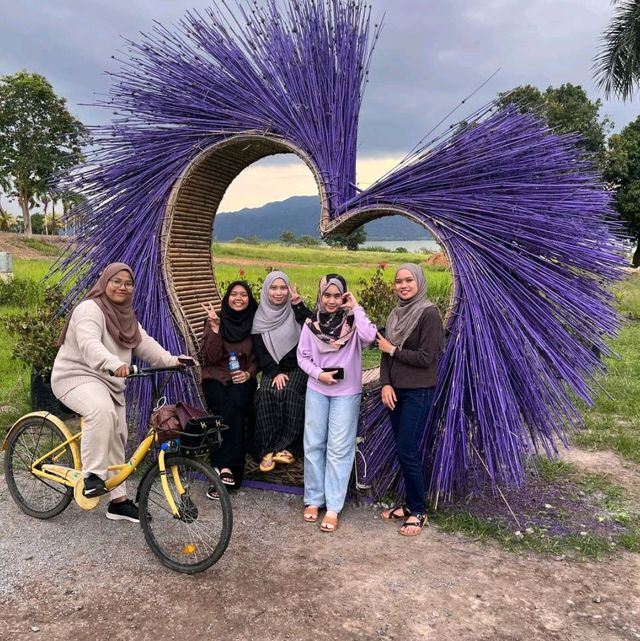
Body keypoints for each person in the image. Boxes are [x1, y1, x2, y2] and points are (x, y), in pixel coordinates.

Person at [51, 262, 189, 523]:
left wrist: (173, 361)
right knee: (101, 411)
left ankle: (119, 502)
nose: (122, 287)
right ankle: (92, 477)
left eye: (128, 283)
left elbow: (144, 344)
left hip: (109, 383)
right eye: (116, 281)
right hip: (75, 377)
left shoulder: (127, 317)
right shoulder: (89, 309)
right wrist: (114, 363)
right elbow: (90, 344)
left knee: (118, 435)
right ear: (104, 282)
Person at [296, 274, 376, 533]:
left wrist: (356, 307)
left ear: (344, 295)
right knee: (314, 443)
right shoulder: (310, 324)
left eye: (337, 295)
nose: (331, 301)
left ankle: (332, 507)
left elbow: (370, 337)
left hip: (346, 392)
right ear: (320, 295)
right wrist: (320, 374)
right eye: (327, 295)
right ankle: (313, 499)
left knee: (339, 448)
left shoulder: (353, 322)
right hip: (317, 388)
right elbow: (303, 357)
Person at [376, 263, 444, 537]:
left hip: (418, 391)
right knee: (404, 450)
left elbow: (427, 358)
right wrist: (385, 384)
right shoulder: (395, 314)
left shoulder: (429, 314)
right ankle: (409, 505)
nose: (403, 285)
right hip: (396, 392)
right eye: (398, 281)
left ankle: (418, 511)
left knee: (407, 450)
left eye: (408, 280)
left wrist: (393, 350)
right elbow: (383, 352)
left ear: (418, 282)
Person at [200, 281, 259, 498]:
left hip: (242, 378)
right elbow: (211, 358)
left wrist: (248, 374)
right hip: (215, 377)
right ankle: (230, 470)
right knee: (229, 406)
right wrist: (215, 330)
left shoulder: (255, 322)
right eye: (233, 294)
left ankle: (220, 468)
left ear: (249, 299)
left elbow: (258, 358)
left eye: (243, 294)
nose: (238, 298)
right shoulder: (216, 320)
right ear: (227, 298)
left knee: (235, 404)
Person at [251, 271, 311, 472]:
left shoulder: (296, 312)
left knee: (290, 392)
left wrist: (298, 306)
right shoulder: (259, 318)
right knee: (266, 394)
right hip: (272, 369)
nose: (278, 292)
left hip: (298, 367)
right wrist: (275, 372)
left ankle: (288, 448)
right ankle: (268, 448)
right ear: (266, 291)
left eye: (283, 287)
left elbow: (315, 329)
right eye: (273, 288)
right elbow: (261, 351)